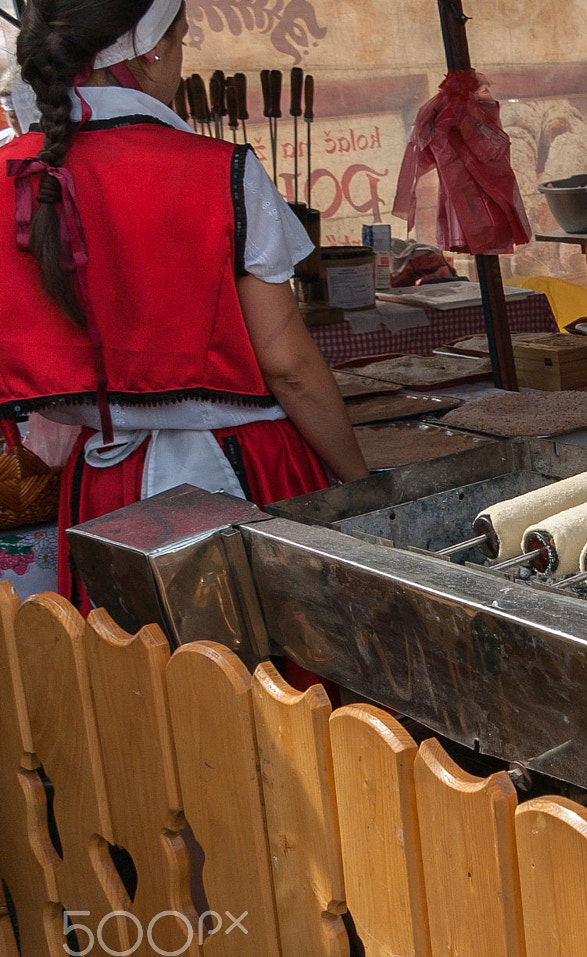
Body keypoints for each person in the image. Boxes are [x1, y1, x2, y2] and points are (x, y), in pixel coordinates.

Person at [2, 0, 368, 608]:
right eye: (180, 42)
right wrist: (359, 481)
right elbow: (289, 368)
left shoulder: (20, 176)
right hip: (242, 471)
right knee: (263, 686)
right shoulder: (220, 171)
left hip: (102, 485)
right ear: (151, 52)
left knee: (141, 676)